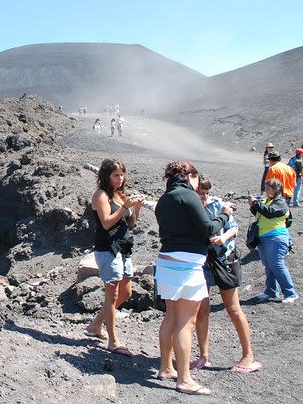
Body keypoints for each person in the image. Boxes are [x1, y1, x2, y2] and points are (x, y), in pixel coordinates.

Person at [154, 161, 234, 396]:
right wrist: (225, 215)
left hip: (166, 262)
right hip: (187, 265)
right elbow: (208, 229)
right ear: (189, 176)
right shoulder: (188, 196)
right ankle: (184, 378)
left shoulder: (165, 198)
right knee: (185, 323)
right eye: (197, 178)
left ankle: (165, 367)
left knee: (171, 316)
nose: (198, 184)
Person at [191, 176, 262, 374]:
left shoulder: (218, 204)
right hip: (203, 261)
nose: (204, 197)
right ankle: (203, 356)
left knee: (233, 308)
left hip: (224, 259)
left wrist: (222, 237)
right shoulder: (191, 207)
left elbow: (234, 228)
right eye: (200, 194)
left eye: (206, 193)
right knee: (202, 310)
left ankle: (248, 356)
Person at [84, 159, 144, 356]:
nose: (120, 178)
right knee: (112, 296)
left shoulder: (119, 195)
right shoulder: (100, 195)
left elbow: (131, 224)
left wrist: (135, 208)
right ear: (106, 176)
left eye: (122, 174)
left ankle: (95, 325)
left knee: (125, 293)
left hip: (123, 247)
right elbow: (107, 223)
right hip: (108, 248)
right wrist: (123, 206)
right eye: (116, 175)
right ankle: (113, 341)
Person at [249, 178, 298, 303]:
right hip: (264, 237)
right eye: (265, 188)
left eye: (268, 188)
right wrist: (253, 206)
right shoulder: (268, 201)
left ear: (276, 189)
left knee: (276, 265)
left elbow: (269, 213)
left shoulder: (281, 202)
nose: (266, 190)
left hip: (276, 237)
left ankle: (290, 293)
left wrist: (256, 204)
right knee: (268, 265)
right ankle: (271, 291)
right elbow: (261, 213)